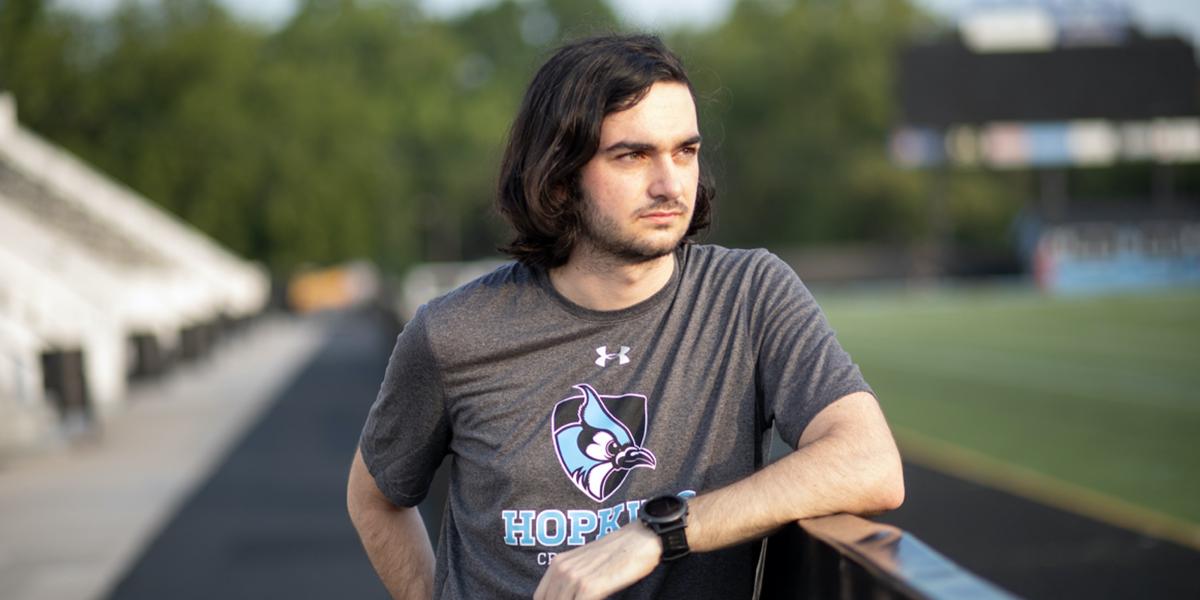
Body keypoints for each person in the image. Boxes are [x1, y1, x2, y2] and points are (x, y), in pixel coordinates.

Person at [347, 33, 904, 600]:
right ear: (560, 174)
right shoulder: (453, 333)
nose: (669, 184)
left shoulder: (748, 295)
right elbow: (375, 495)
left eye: (684, 151)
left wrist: (658, 533)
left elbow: (869, 462)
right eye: (633, 155)